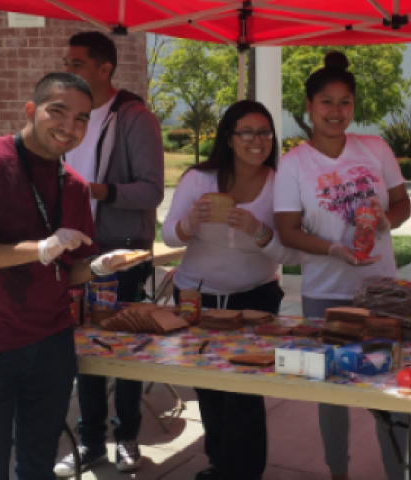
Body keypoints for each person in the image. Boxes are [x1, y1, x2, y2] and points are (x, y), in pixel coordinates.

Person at [0, 72, 149, 480]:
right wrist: (41, 248)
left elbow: (70, 273)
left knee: (39, 465)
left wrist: (102, 266)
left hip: (51, 342)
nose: (69, 127)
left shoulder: (74, 187)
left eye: (82, 119)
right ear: (31, 110)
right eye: (58, 112)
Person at [274, 51, 411, 480]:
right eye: (327, 102)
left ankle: (399, 472)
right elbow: (287, 230)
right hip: (326, 294)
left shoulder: (374, 148)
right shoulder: (294, 163)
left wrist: (386, 221)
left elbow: (403, 202)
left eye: (345, 101)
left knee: (391, 387)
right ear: (309, 107)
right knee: (332, 389)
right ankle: (338, 472)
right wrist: (334, 249)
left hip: (382, 290)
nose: (337, 111)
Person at [162, 99, 301, 480]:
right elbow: (168, 235)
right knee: (207, 386)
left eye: (265, 132)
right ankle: (219, 464)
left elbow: (292, 252)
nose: (258, 141)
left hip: (254, 297)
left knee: (244, 388)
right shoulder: (198, 179)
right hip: (196, 298)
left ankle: (245, 472)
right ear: (228, 138)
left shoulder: (280, 184)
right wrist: (189, 222)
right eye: (247, 133)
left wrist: (260, 232)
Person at [54, 31, 165, 476]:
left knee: (128, 348)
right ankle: (91, 441)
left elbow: (151, 190)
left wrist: (94, 190)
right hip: (75, 252)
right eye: (67, 62)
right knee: (84, 350)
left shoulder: (134, 117)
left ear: (105, 69)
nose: (69, 69)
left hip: (123, 254)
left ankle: (128, 438)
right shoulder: (69, 117)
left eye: (77, 63)